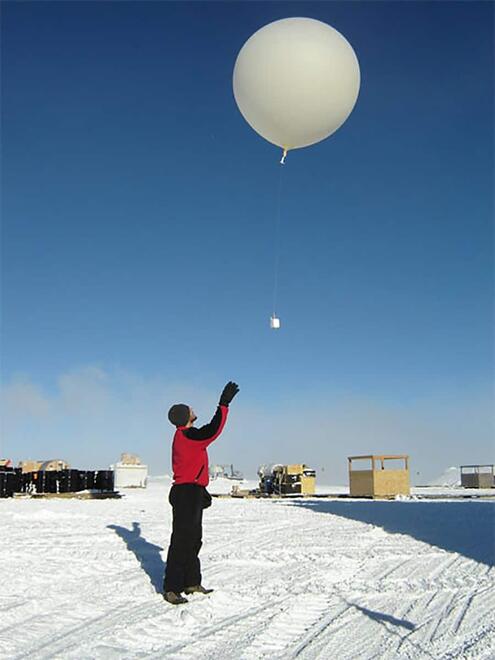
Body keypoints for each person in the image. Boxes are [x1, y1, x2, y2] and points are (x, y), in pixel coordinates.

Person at [163, 381, 240, 605]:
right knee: (181, 541)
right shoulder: (188, 436)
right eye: (190, 409)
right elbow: (213, 429)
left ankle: (191, 582)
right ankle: (172, 588)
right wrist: (223, 404)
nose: (193, 410)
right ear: (185, 416)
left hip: (192, 490)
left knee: (194, 539)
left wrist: (201, 488)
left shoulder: (187, 436)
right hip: (186, 492)